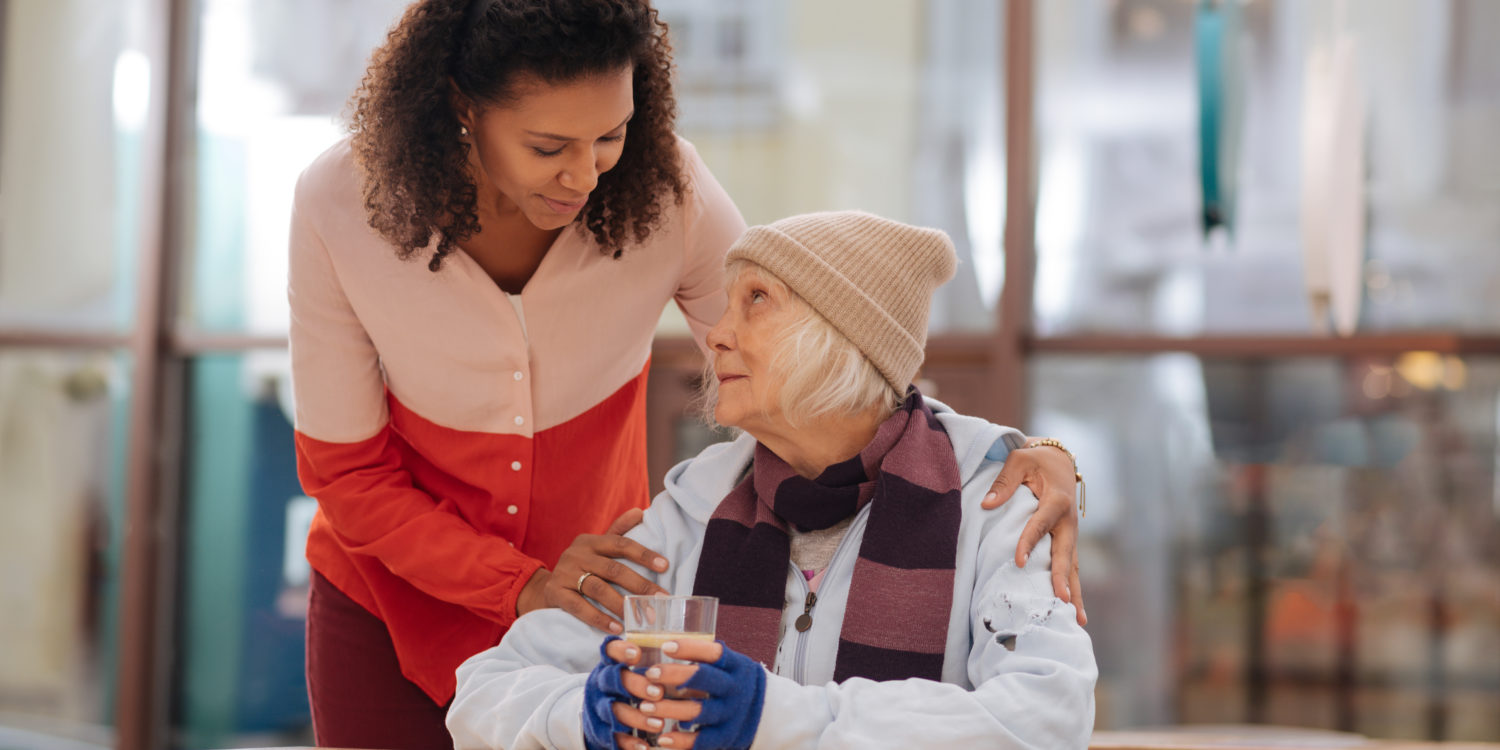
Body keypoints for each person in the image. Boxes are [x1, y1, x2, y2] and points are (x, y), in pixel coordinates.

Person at [288, 1, 1087, 747]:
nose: (586, 175)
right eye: (547, 147)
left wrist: (1013, 454)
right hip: (390, 596)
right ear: (462, 104)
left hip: (596, 582)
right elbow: (347, 472)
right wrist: (523, 592)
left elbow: (824, 357)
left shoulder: (664, 188)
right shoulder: (339, 205)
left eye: (612, 135)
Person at [446, 211, 1098, 750]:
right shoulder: (693, 509)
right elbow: (484, 692)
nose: (718, 337)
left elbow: (1048, 714)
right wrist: (584, 712)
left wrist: (776, 717)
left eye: (757, 300)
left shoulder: (995, 500)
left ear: (844, 339)